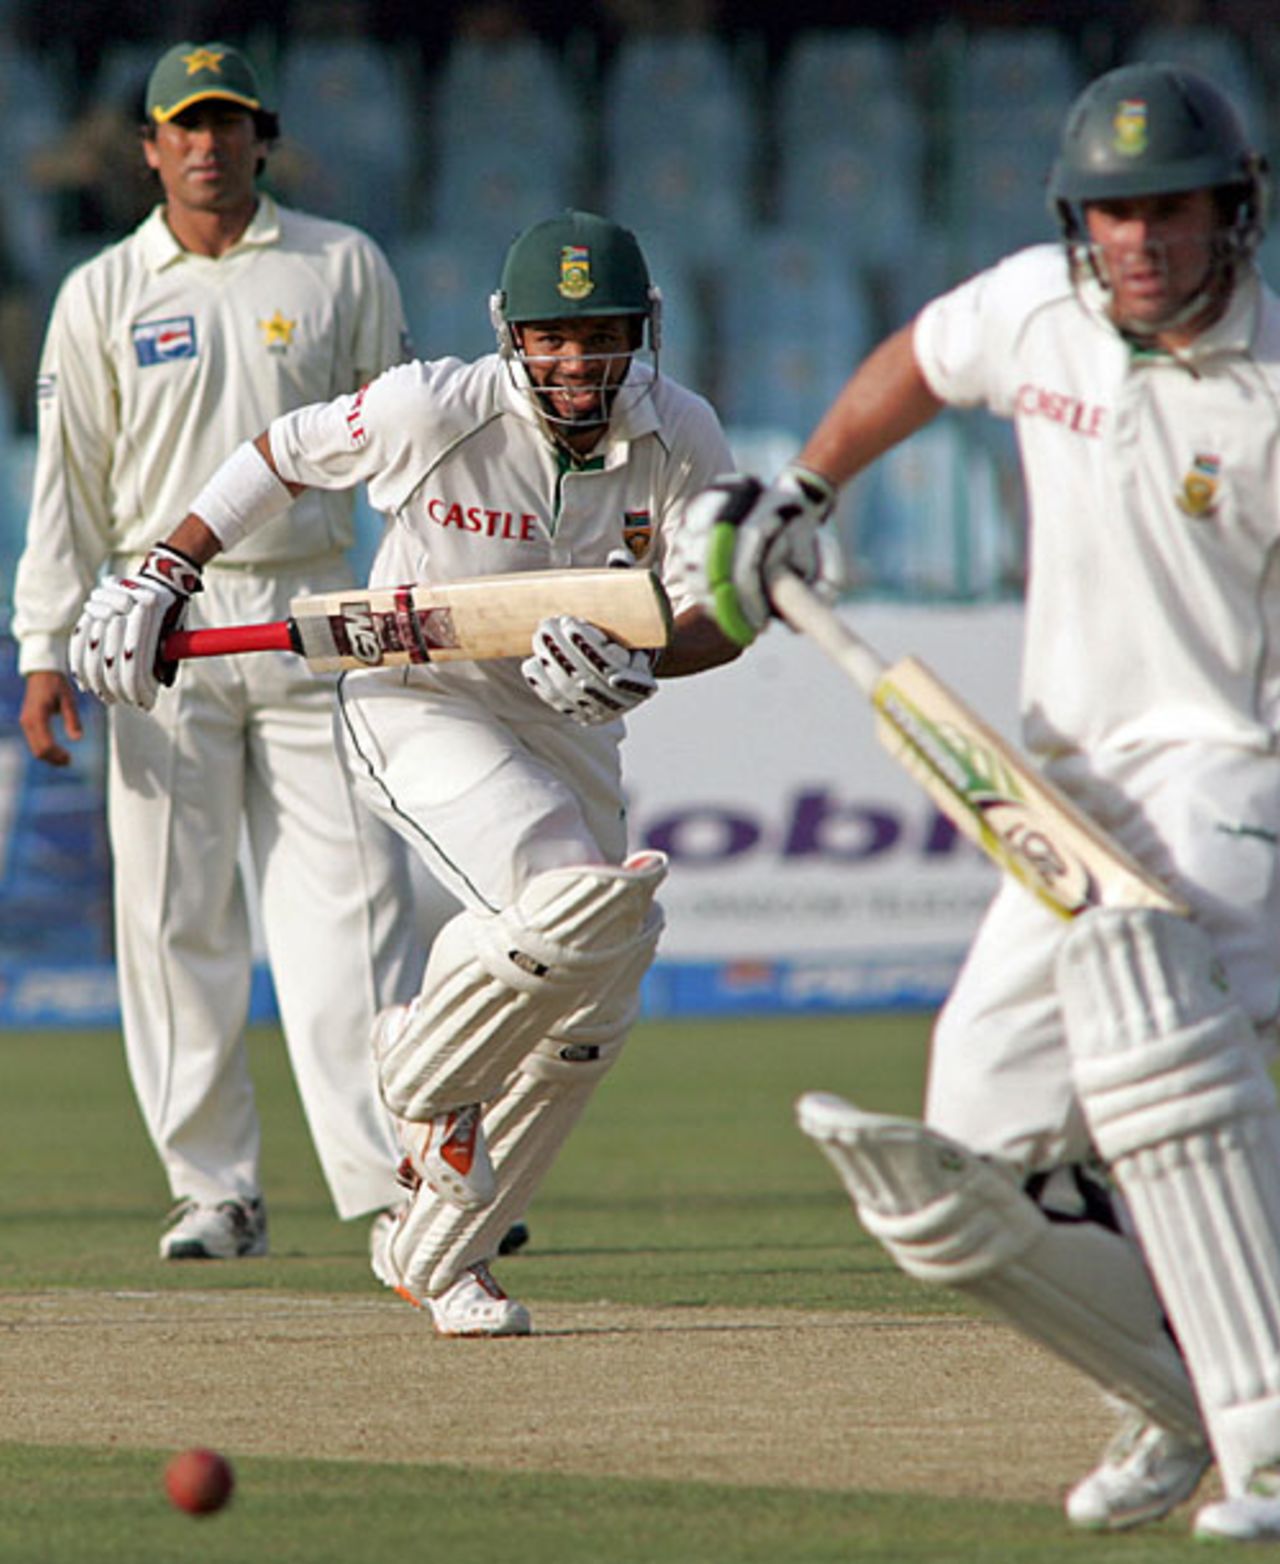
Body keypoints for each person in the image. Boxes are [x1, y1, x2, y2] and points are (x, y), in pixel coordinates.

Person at [682, 63, 1280, 1544]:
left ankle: (1265, 1430)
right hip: (1064, 780)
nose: (1139, 242)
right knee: (982, 1131)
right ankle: (1174, 1399)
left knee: (1161, 1060)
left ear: (1232, 215)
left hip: (1233, 771)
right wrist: (807, 490)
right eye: (1114, 215)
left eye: (1170, 211)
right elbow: (923, 358)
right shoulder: (1036, 309)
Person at [65, 207, 741, 1334]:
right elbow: (278, 453)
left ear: (641, 332)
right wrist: (165, 572)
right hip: (418, 698)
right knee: (566, 884)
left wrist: (647, 657)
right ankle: (415, 1067)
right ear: (509, 336)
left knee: (599, 992)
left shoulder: (682, 432)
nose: (575, 361)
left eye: (600, 335)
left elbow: (724, 603)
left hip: (569, 727)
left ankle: (444, 1252)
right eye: (551, 337)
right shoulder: (432, 406)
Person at [12, 41, 423, 1262]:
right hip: (157, 626)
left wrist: (414, 603)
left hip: (310, 609)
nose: (205, 145)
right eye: (183, 126)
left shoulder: (340, 263)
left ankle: (396, 1182)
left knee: (351, 910)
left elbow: (408, 457)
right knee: (173, 915)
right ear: (147, 147)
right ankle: (214, 1189)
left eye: (227, 124)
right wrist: (43, 646)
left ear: (262, 137)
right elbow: (66, 488)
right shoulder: (100, 292)